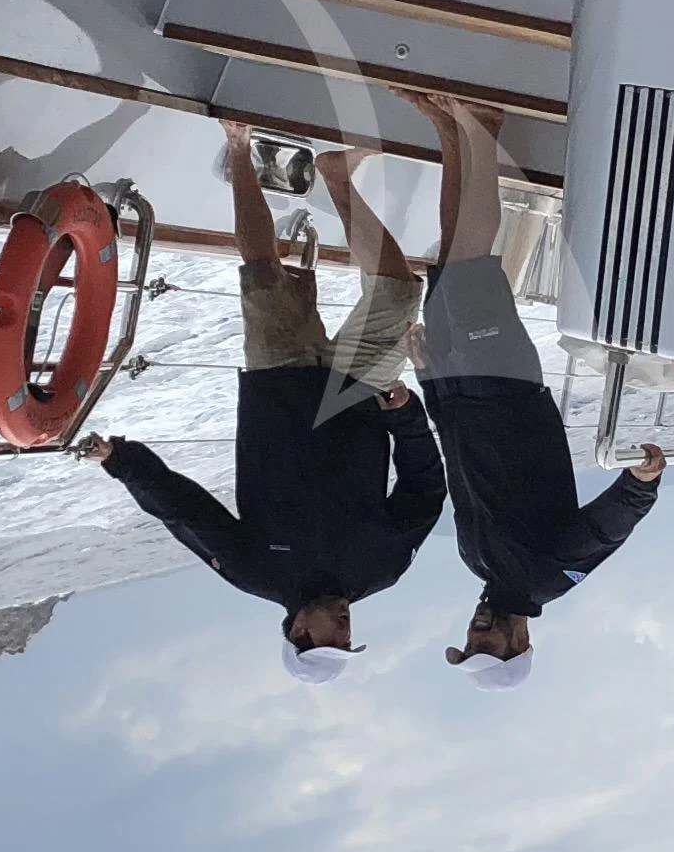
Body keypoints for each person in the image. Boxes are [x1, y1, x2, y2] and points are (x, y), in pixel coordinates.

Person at [81, 123, 443, 680]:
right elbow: (425, 493)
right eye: (349, 641)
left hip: (282, 384)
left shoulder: (256, 573)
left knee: (264, 273)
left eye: (331, 641)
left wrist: (123, 463)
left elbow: (187, 512)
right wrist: (407, 420)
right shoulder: (383, 569)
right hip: (361, 391)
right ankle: (337, 178)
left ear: (299, 633)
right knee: (398, 290)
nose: (344, 632)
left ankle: (238, 148)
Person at [365, 89, 663, 683]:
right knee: (473, 260)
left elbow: (460, 466)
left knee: (450, 261)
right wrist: (640, 486)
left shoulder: (478, 563)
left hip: (459, 388)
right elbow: (604, 533)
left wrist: (428, 380)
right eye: (490, 647)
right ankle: (481, 130)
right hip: (505, 389)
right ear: (520, 643)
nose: (476, 636)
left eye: (468, 645)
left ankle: (453, 133)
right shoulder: (549, 576)